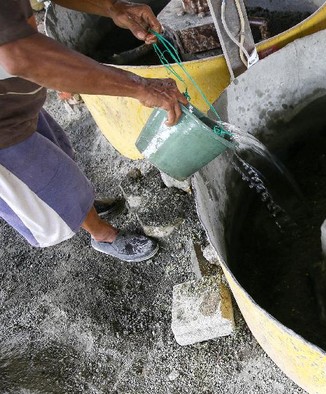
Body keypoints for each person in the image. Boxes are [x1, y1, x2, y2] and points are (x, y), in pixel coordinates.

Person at [0, 0, 188, 262]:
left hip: (10, 98)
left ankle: (83, 206)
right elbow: (19, 55)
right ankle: (101, 234)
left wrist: (113, 7)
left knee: (57, 154)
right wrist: (140, 87)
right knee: (46, 186)